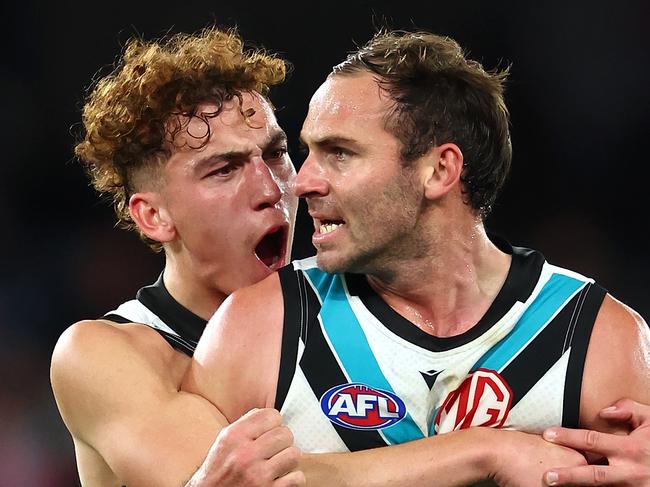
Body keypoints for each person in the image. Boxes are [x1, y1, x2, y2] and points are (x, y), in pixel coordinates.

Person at [183, 30, 650, 486]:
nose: (302, 181)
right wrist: (490, 453)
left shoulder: (595, 336)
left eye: (340, 153)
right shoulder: (259, 327)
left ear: (440, 170)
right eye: (307, 152)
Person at [51, 27, 305, 487]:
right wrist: (473, 451)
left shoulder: (350, 311)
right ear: (154, 216)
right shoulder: (104, 353)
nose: (272, 190)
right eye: (224, 170)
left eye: (276, 153)